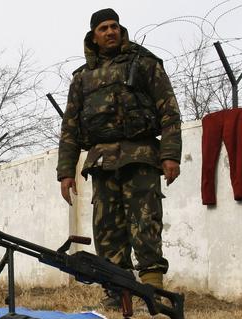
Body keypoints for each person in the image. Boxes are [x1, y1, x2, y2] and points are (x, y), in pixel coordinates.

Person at [56, 8, 182, 302]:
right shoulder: (82, 78)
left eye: (114, 26)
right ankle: (117, 291)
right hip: (102, 162)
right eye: (103, 28)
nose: (110, 32)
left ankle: (153, 291)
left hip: (141, 156)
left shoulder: (145, 63)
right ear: (94, 36)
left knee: (146, 223)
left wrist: (170, 155)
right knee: (107, 230)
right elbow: (70, 128)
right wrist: (65, 173)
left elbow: (169, 111)